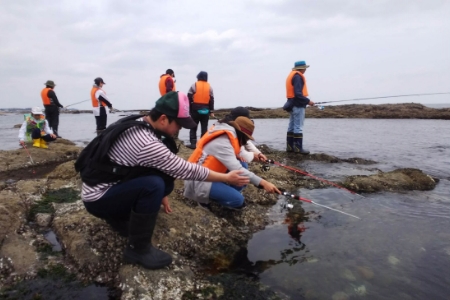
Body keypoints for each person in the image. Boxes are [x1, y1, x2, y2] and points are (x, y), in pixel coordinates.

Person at [80, 91, 249, 270]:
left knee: (162, 182)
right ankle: (137, 249)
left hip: (106, 188)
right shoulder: (146, 142)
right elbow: (186, 169)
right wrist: (226, 177)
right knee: (154, 185)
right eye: (179, 124)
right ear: (163, 119)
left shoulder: (139, 122)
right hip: (98, 198)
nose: (180, 129)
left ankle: (120, 218)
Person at [184, 116, 280, 211]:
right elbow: (238, 170)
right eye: (246, 139)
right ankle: (204, 201)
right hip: (199, 180)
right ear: (242, 134)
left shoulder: (230, 135)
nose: (246, 142)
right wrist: (264, 183)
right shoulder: (222, 142)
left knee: (243, 164)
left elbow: (243, 154)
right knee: (238, 201)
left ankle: (225, 192)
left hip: (210, 173)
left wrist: (258, 155)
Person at [284, 61, 315, 154]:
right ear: (301, 68)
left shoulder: (292, 75)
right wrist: (308, 101)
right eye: (305, 68)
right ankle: (298, 148)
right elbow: (298, 93)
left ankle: (290, 147)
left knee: (291, 126)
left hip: (291, 104)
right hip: (298, 105)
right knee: (298, 127)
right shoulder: (298, 77)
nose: (305, 70)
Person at [186, 71, 215, 149]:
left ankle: (193, 144)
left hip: (195, 109)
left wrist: (189, 108)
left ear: (198, 77)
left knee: (193, 126)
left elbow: (188, 97)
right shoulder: (210, 87)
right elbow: (211, 99)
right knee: (204, 127)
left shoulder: (194, 85)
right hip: (206, 110)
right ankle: (203, 144)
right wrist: (211, 111)